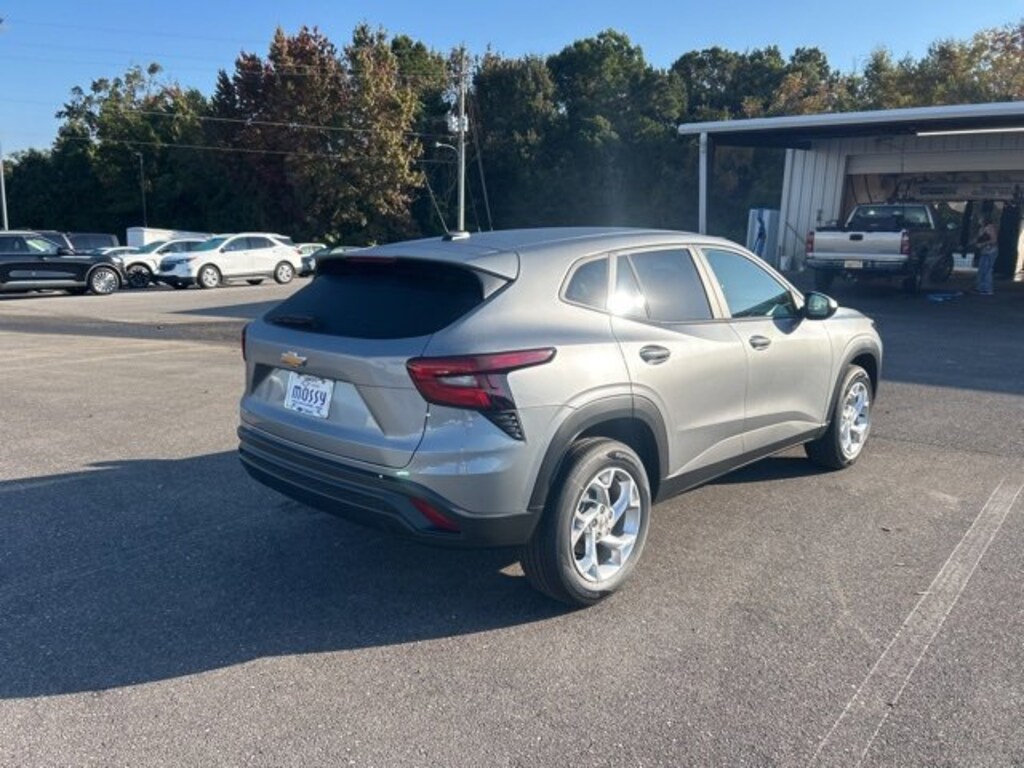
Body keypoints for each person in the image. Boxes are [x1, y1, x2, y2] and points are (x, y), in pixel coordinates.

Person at [974, 216, 998, 295]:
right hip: (984, 251)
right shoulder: (982, 229)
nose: (979, 220)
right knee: (982, 270)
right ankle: (980, 287)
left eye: (980, 219)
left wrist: (982, 244)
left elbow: (994, 240)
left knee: (987, 270)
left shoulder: (990, 227)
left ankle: (988, 289)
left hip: (990, 251)